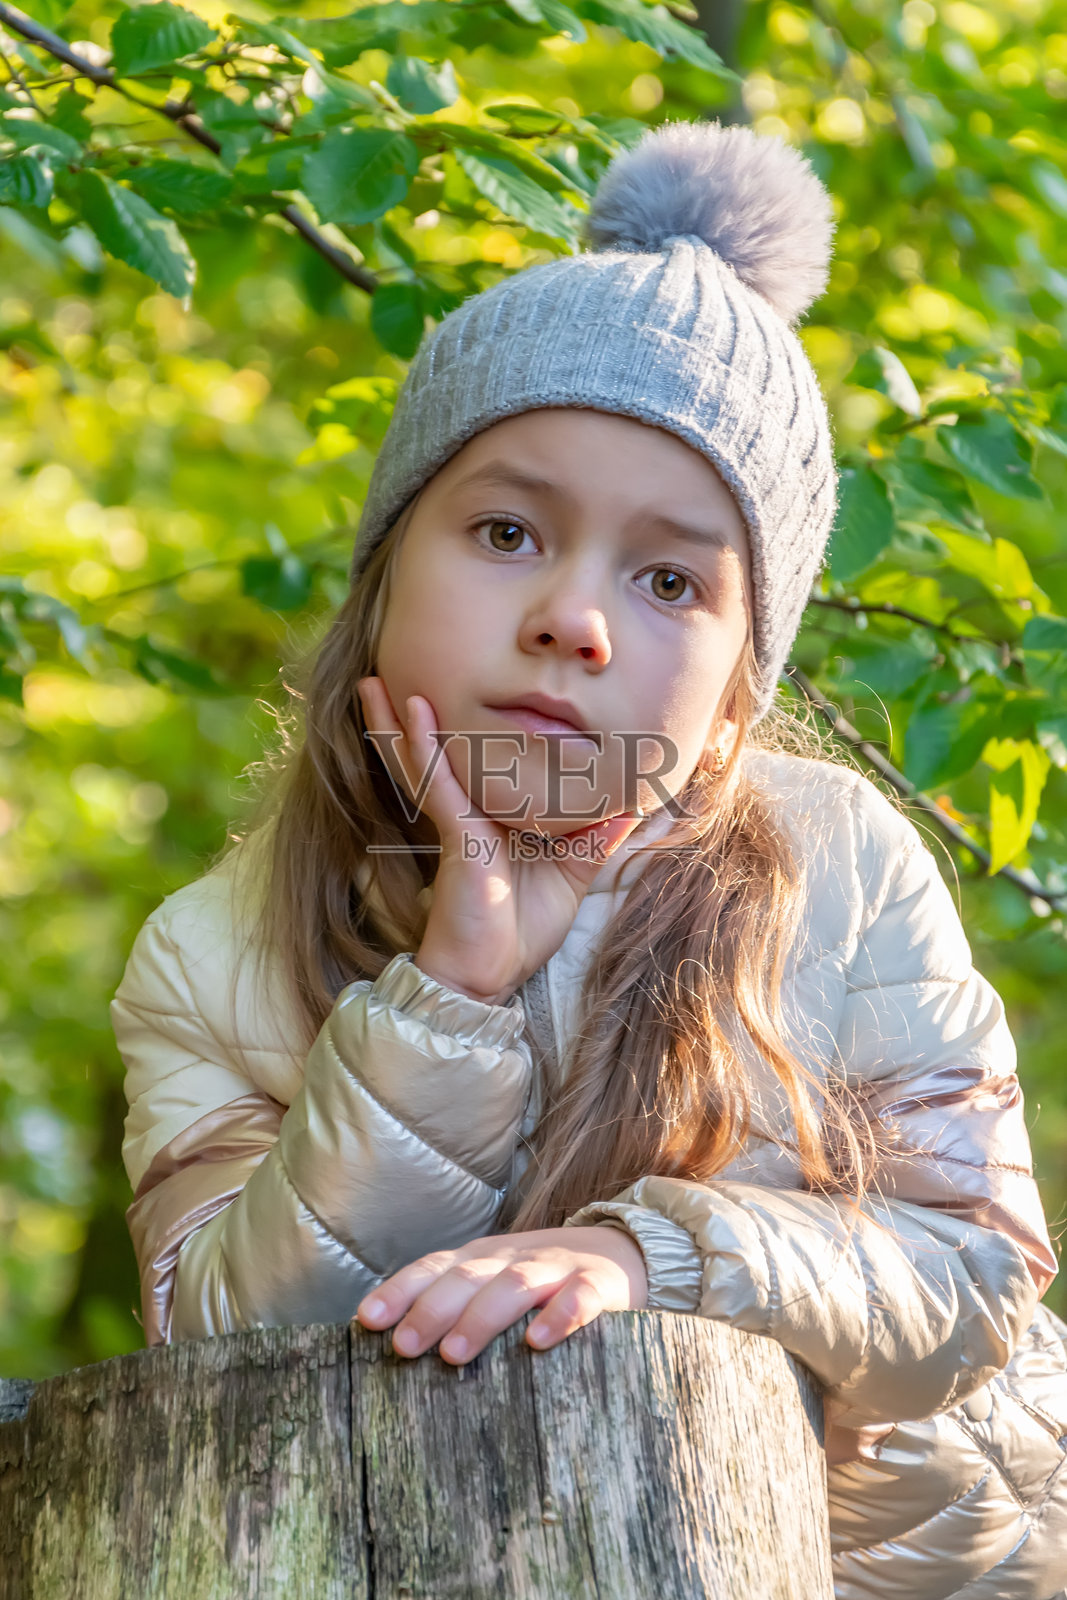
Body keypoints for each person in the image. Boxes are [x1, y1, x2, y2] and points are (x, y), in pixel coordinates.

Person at [112, 121, 1067, 1598]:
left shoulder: (841, 862)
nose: (574, 616)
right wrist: (449, 998)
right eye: (504, 530)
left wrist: (653, 1261)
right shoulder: (207, 952)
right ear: (380, 579)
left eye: (671, 577)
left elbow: (975, 1275)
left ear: (743, 684)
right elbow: (218, 1353)